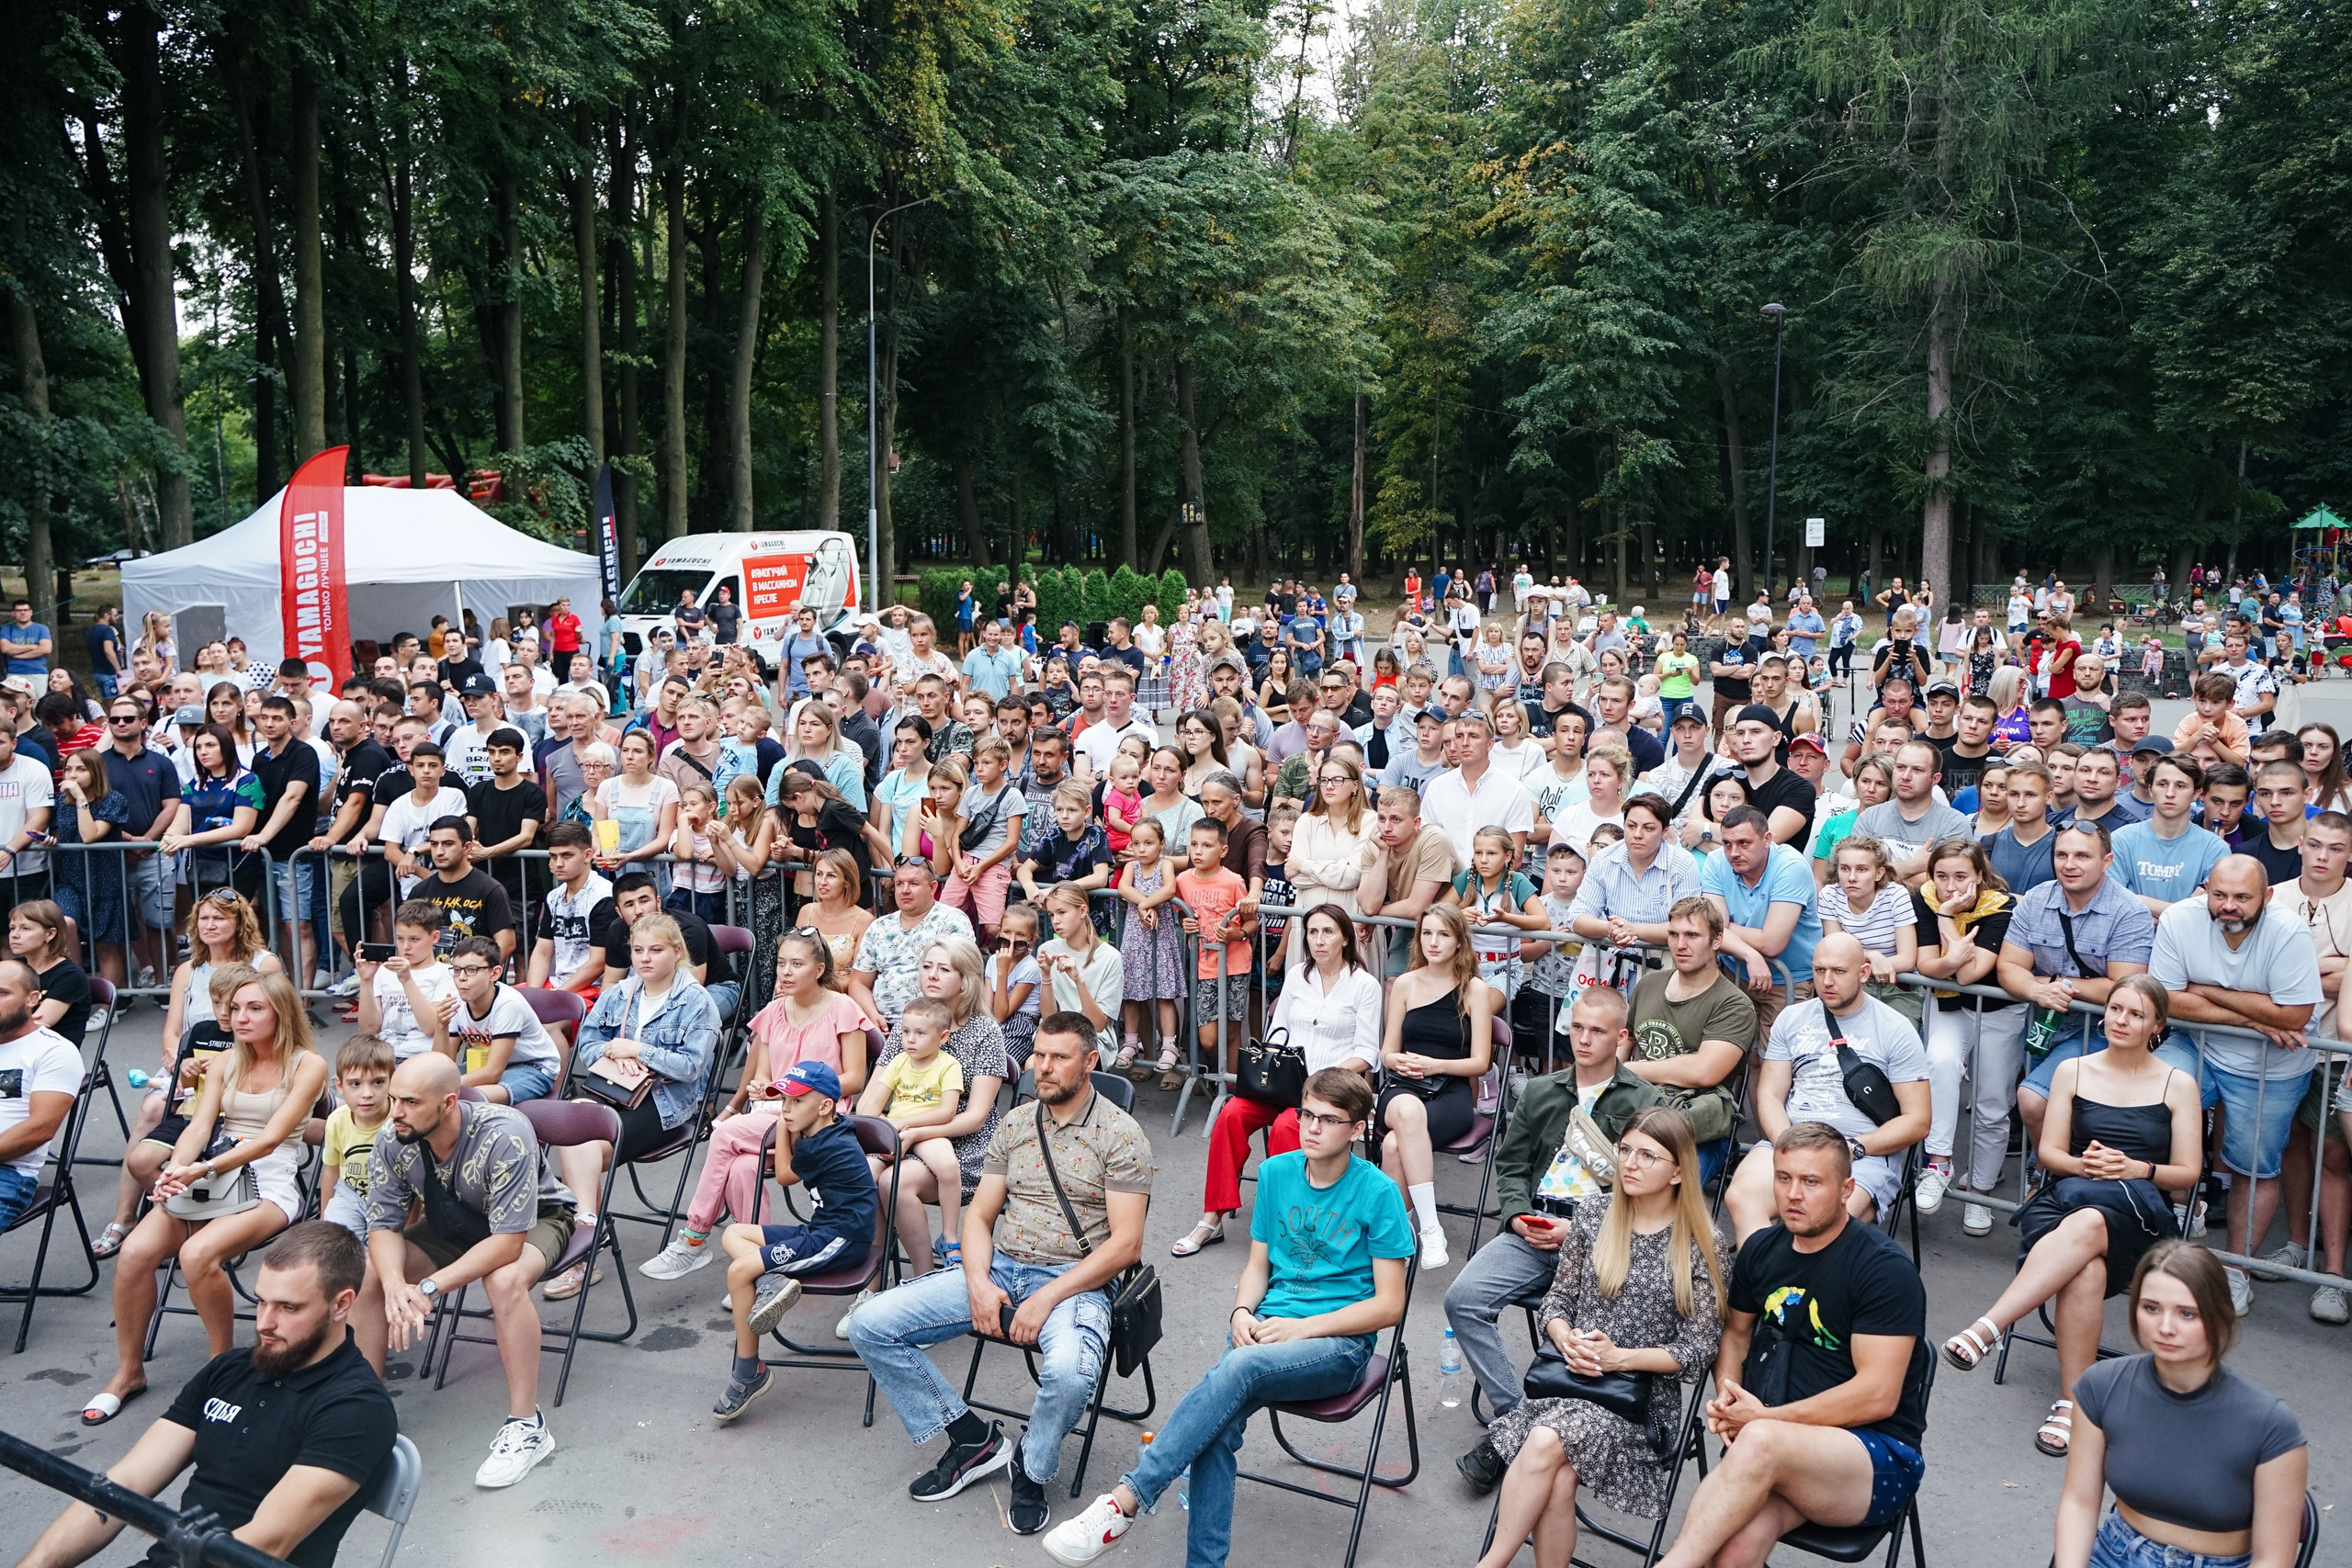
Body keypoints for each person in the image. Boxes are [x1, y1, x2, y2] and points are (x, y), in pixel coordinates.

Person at [848, 1013, 1148, 1537]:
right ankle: (971, 1439)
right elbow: (981, 1216)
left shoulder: (1121, 1134)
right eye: (1038, 1054)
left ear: (1091, 1062)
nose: (1043, 1067)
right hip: (1002, 1265)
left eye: (1059, 1057)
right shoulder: (1016, 1123)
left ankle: (1031, 1467)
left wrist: (1044, 1298)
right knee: (869, 1324)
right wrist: (978, 1280)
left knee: (1072, 1374)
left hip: (1076, 1280)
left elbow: (1126, 1245)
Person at [15, 1223, 397, 1568]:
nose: (264, 1322)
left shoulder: (356, 1407)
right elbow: (122, 1486)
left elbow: (265, 1545)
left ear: (341, 1304)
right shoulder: (229, 1370)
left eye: (288, 1308)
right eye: (262, 1300)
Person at [1940, 975, 2201, 1454]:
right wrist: (2085, 1164)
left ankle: (1989, 1326)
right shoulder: (2073, 1070)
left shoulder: (2178, 1083)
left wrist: (2135, 1168)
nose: (2122, 1020)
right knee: (2085, 1266)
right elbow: (2050, 1155)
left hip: (2139, 1213)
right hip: (2068, 1198)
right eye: (2116, 1009)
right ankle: (2072, 1405)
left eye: (2136, 1014)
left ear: (2157, 1026)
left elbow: (2187, 1173)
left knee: (2091, 1227)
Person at [1652, 1122, 1929, 1568]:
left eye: (1811, 1182)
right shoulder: (1762, 1249)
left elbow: (1878, 1395)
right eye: (1784, 1178)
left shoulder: (1884, 1270)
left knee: (1759, 1440)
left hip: (1874, 1458)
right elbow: (1737, 1334)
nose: (1793, 1194)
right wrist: (1729, 1393)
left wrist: (1764, 1419)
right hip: (1777, 1449)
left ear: (1846, 1189)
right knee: (1730, 1553)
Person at [1470, 1108, 1730, 1567]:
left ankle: (1490, 1563)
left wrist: (1619, 1358)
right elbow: (1558, 1301)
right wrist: (1563, 1336)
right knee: (1559, 1475)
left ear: (1676, 1172)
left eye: (1648, 1156)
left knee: (1548, 1441)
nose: (1630, 1163)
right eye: (1626, 1150)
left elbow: (1698, 1352)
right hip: (1568, 1379)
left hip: (1637, 1400)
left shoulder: (1700, 1244)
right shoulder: (1593, 1215)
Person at [85, 970, 329, 1427]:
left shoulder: (307, 1064)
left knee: (197, 1254)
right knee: (135, 1252)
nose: (240, 1018)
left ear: (282, 1012)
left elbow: (274, 1139)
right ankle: (129, 1372)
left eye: (254, 1008)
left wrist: (201, 1168)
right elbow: (199, 1126)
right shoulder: (224, 1061)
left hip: (268, 1179)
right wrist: (178, 1168)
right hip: (213, 1168)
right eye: (235, 1009)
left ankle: (222, 1367)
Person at [1449, 987, 1668, 1483]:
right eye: (1577, 1028)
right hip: (1537, 1225)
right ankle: (1514, 1420)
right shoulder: (1541, 1091)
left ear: (1622, 1038)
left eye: (1597, 1031)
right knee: (1463, 1299)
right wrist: (1517, 1216)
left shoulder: (1645, 1101)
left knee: (1589, 1335)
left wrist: (1582, 1227)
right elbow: (1510, 1165)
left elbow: (1650, 1191)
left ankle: (1545, 1434)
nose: (1584, 1040)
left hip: (1606, 1236)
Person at [364, 1052, 580, 1485]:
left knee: (503, 1281)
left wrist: (426, 1287)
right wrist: (392, 1286)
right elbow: (383, 1225)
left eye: (409, 1102)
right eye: (394, 1099)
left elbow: (506, 1243)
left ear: (447, 1103)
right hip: (454, 1219)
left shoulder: (504, 1134)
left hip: (535, 1220)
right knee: (367, 1275)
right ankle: (362, 1412)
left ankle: (527, 1426)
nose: (396, 1113)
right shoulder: (395, 1137)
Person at [2052, 1241, 2309, 1568]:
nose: (2165, 1328)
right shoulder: (2101, 1386)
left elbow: (2273, 1560)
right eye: (2151, 1308)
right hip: (2114, 1553)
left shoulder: (2269, 1423)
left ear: (2219, 1315)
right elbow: (2080, 1502)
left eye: (2187, 1313)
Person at [2146, 853, 2324, 1315]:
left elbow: (2294, 1016)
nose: (2229, 906)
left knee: (2253, 1167)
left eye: (2242, 898)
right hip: (2195, 1045)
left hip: (2274, 1063)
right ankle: (2175, 1221)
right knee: (2146, 1110)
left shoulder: (2288, 931)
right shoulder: (2181, 919)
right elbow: (2167, 1001)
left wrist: (2203, 990)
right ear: (2206, 889)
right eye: (2220, 895)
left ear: (2266, 896)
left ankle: (2235, 1271)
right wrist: (2252, 1014)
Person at [1181, 904, 1381, 1257]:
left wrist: (1323, 1080)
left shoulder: (1364, 985)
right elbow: (1277, 1032)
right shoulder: (1297, 976)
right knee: (1230, 1115)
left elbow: (1367, 1052)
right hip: (1284, 1080)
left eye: (1328, 932)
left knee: (1292, 1126)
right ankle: (1213, 1217)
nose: (1319, 940)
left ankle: (1282, 1223)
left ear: (1346, 937)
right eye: (1313, 932)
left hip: (1330, 1089)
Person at [544, 909, 720, 1300]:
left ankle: (582, 1244)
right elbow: (586, 1045)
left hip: (664, 1101)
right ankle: (588, 1229)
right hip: (614, 1087)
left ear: (677, 952)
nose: (645, 958)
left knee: (578, 1141)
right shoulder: (619, 993)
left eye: (656, 950)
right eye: (638, 950)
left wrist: (640, 1050)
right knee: (572, 1126)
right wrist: (612, 1049)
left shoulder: (697, 1001)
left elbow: (691, 1067)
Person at [1724, 934, 1932, 1240]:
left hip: (1861, 1152)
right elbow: (1769, 1094)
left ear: (1863, 973)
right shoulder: (1792, 1019)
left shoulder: (1895, 1030)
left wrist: (1853, 1148)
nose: (1827, 981)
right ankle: (1765, 1285)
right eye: (1820, 971)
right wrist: (1789, 1144)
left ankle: (1807, 1285)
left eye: (1838, 971)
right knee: (1742, 1196)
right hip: (1795, 1138)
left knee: (1826, 1219)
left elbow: (1918, 1121)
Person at [710, 1058, 882, 1421]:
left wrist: (780, 1129)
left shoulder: (824, 1145)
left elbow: (785, 1175)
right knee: (734, 1232)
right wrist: (788, 1125)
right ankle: (772, 1281)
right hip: (820, 1231)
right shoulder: (828, 1130)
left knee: (740, 1272)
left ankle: (748, 1372)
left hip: (840, 1240)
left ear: (824, 1106)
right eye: (783, 1102)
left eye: (796, 1102)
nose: (786, 1110)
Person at [1998, 820, 2157, 1146]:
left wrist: (2054, 983)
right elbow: (2009, 967)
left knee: (2034, 1098)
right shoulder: (2035, 899)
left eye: (2082, 856)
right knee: (2056, 1111)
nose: (2069, 865)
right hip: (2042, 1026)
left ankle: (2049, 1176)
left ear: (2107, 861)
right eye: (2061, 855)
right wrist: (2035, 989)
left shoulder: (2130, 912)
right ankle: (2045, 1178)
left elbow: (2123, 989)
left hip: (2102, 1031)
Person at [1375, 903, 1499, 1268]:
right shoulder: (1404, 985)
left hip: (1450, 1091)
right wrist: (1395, 1060)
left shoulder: (1474, 989)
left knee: (1396, 1143)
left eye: (1443, 934)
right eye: (1427, 933)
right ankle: (1430, 1228)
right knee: (1408, 1113)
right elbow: (1386, 1050)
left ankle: (1393, 1233)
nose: (1433, 942)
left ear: (1460, 942)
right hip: (1402, 1087)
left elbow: (1482, 1062)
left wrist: (1435, 1064)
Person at [1701, 805, 1824, 1033]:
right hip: (1735, 972)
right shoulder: (1717, 861)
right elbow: (1714, 929)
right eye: (1727, 843)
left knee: (1777, 1062)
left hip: (1789, 979)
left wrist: (1725, 927)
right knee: (1734, 1059)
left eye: (1744, 843)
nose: (1733, 853)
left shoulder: (1790, 866)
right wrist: (1750, 954)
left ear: (1767, 839)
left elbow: (1772, 943)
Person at [847, 857, 976, 1031]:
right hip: (883, 1026)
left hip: (936, 1025)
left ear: (933, 888)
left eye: (913, 884)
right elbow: (858, 983)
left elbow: (963, 979)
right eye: (899, 884)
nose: (905, 890)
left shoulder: (952, 920)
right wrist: (872, 1016)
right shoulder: (879, 927)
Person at [0, 959, 78, 1235]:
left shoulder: (53, 1052)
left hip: (8, 1173)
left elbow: (41, 1128)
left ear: (33, 998)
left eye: (2, 993)